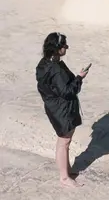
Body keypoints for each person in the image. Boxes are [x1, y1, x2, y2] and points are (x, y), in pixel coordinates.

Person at [35, 33, 90, 187]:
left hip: (54, 106)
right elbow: (67, 91)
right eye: (65, 45)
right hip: (61, 108)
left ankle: (67, 170)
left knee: (65, 140)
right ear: (57, 48)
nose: (67, 47)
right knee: (64, 141)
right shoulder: (56, 68)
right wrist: (80, 78)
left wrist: (77, 77)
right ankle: (64, 178)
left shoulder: (47, 62)